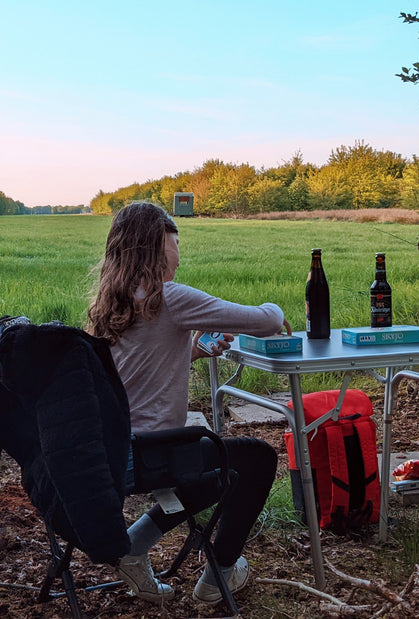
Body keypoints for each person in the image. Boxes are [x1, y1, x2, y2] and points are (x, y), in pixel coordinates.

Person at [86, 201, 288, 604]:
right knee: (257, 458)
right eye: (174, 246)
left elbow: (136, 372)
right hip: (152, 454)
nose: (178, 259)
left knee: (216, 469)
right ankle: (220, 574)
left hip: (113, 452)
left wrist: (192, 351)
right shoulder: (168, 297)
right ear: (156, 249)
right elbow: (266, 320)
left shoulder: (112, 303)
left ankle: (133, 546)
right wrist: (276, 309)